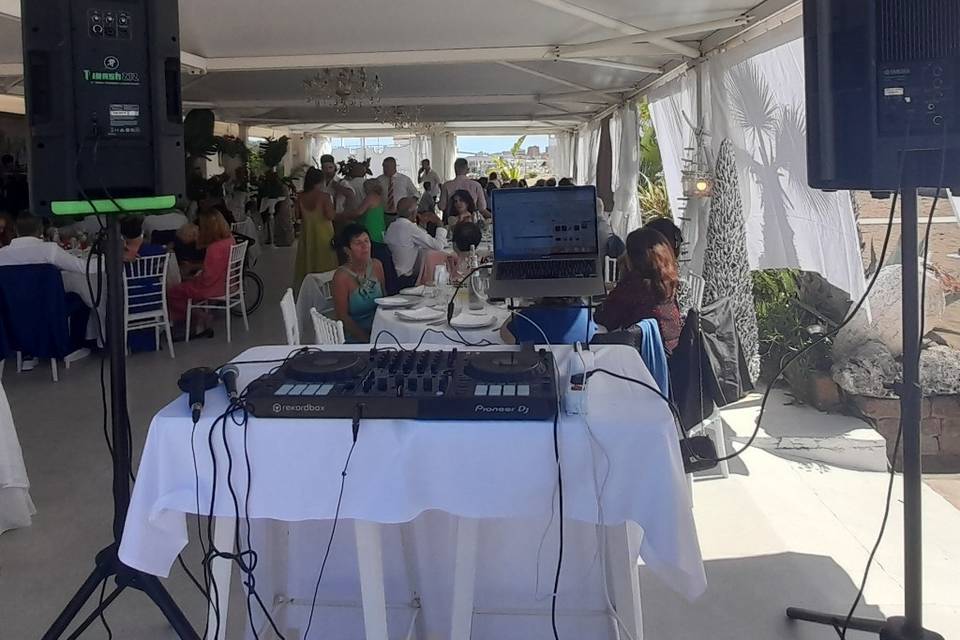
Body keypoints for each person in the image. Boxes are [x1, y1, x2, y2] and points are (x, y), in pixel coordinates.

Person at [594, 227, 682, 353]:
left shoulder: (634, 286)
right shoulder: (669, 284)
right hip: (670, 357)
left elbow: (604, 319)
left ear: (634, 258)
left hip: (640, 360)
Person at [166, 210, 235, 338]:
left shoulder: (213, 249)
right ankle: (195, 320)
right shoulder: (229, 240)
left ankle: (200, 317)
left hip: (212, 288)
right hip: (227, 283)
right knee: (184, 289)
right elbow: (216, 266)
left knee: (173, 292)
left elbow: (208, 278)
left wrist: (191, 278)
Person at [332, 224, 385, 343]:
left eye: (367, 241)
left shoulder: (377, 265)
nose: (364, 246)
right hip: (355, 335)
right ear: (347, 250)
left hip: (379, 329)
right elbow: (342, 317)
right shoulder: (341, 277)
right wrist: (367, 340)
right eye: (358, 243)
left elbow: (385, 299)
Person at [384, 197, 447, 290]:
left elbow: (417, 238)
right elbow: (438, 246)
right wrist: (439, 223)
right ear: (413, 212)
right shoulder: (409, 228)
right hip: (405, 280)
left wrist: (421, 224)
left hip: (391, 276)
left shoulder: (392, 226)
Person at [293, 167, 339, 291]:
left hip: (307, 235)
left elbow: (297, 216)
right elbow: (330, 215)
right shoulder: (324, 196)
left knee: (308, 263)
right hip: (324, 235)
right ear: (320, 181)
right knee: (326, 265)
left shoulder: (300, 196)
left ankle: (309, 291)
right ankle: (326, 291)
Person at [0, 215, 88, 273]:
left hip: (13, 301)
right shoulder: (50, 250)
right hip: (49, 301)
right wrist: (102, 259)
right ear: (41, 230)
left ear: (15, 230)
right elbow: (83, 268)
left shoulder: (2, 254)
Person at [500, 298, 597, 345]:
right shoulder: (584, 311)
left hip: (536, 371)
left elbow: (505, 335)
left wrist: (519, 310)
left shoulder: (528, 317)